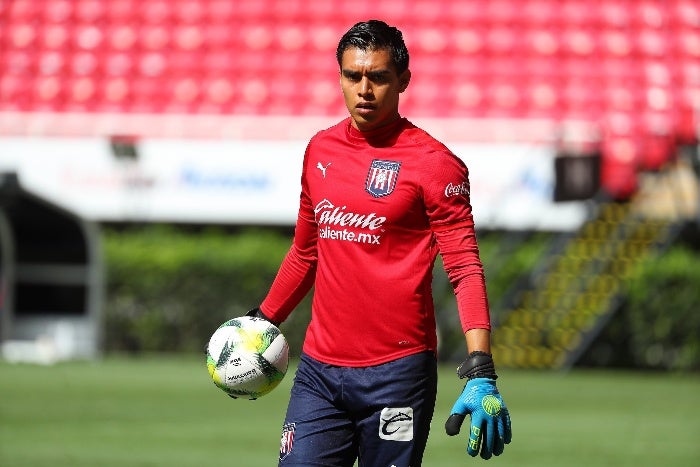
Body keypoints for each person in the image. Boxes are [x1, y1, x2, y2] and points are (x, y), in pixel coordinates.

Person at [247, 19, 512, 466]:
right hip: (319, 372)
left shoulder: (435, 165)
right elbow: (305, 252)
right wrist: (261, 321)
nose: (364, 89)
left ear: (403, 80)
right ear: (340, 78)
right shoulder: (320, 150)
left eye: (378, 77)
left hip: (398, 373)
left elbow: (464, 268)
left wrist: (479, 366)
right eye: (353, 76)